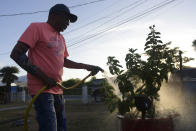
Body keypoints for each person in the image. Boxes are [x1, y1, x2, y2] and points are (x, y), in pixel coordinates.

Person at [10, 4, 102, 131]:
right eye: (66, 18)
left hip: (57, 89)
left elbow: (64, 61)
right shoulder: (37, 27)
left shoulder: (61, 38)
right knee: (50, 127)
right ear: (54, 16)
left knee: (61, 127)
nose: (68, 23)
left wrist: (87, 67)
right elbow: (16, 54)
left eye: (69, 20)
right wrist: (44, 77)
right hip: (41, 89)